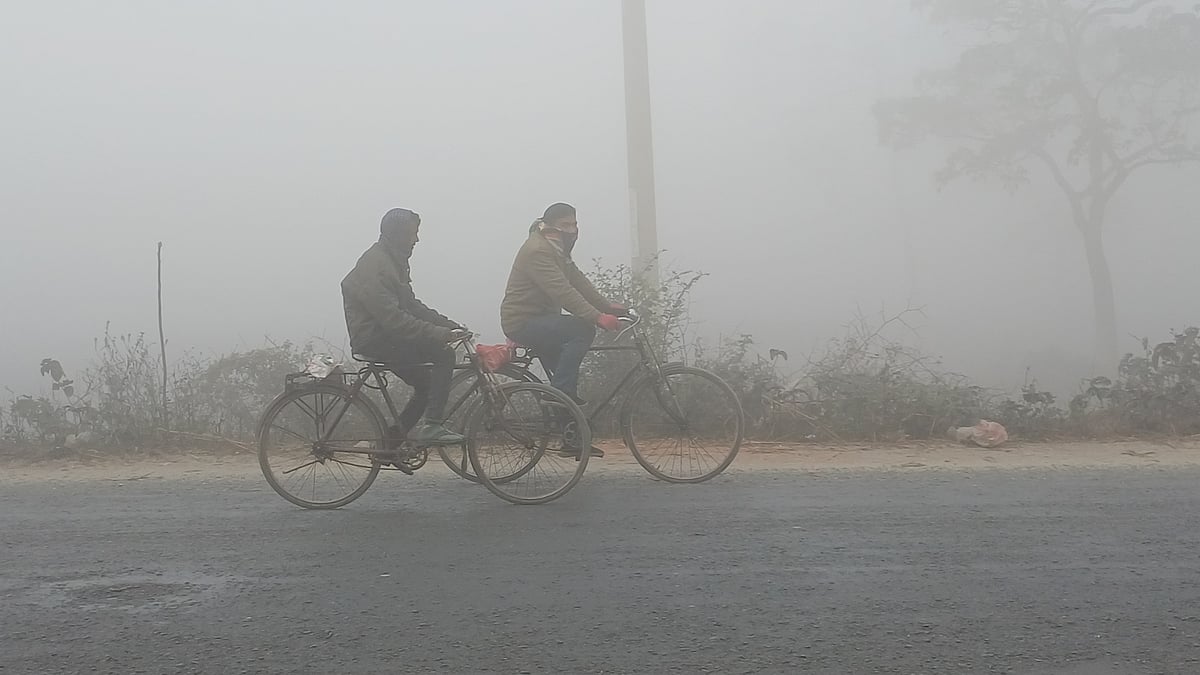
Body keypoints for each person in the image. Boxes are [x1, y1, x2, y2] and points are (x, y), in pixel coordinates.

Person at [500, 202, 627, 455]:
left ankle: (571, 439)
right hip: (523, 322)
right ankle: (559, 395)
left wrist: (606, 306)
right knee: (582, 331)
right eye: (565, 225)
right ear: (549, 226)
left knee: (565, 374)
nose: (572, 230)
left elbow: (577, 280)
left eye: (574, 224)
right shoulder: (538, 250)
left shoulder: (557, 249)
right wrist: (597, 317)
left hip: (542, 320)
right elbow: (562, 291)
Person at [341, 207, 467, 446]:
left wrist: (449, 325)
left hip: (385, 334)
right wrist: (440, 334)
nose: (416, 239)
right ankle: (432, 426)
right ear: (397, 234)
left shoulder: (392, 259)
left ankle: (391, 444)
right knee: (443, 354)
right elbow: (393, 319)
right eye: (412, 233)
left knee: (426, 385)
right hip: (375, 338)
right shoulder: (376, 265)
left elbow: (411, 305)